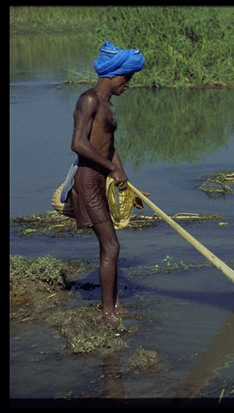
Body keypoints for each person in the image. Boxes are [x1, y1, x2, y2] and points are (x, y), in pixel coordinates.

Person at [70, 41, 150, 327]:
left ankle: (115, 304)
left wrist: (126, 182)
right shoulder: (89, 100)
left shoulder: (108, 106)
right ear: (112, 73)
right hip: (88, 179)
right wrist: (111, 169)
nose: (128, 84)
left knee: (109, 246)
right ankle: (108, 313)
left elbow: (109, 147)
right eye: (126, 78)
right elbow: (77, 144)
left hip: (101, 177)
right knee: (112, 246)